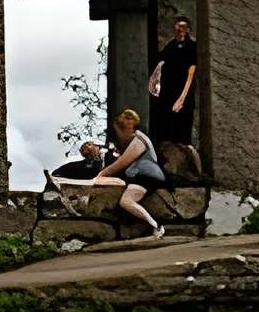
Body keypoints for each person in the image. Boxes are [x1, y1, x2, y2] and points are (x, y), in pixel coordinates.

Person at [83, 107, 171, 237]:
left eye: (118, 131)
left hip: (147, 175)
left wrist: (103, 173)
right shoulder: (135, 140)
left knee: (126, 201)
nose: (118, 135)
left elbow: (122, 162)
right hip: (141, 175)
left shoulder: (139, 140)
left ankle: (156, 226)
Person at [148, 13, 202, 180]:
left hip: (183, 93)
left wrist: (182, 98)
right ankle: (167, 167)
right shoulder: (170, 46)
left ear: (188, 29)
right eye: (178, 27)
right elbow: (161, 62)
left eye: (183, 27)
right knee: (165, 130)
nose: (180, 30)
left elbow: (191, 73)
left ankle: (186, 170)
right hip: (167, 93)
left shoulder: (192, 47)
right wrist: (155, 77)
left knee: (182, 131)